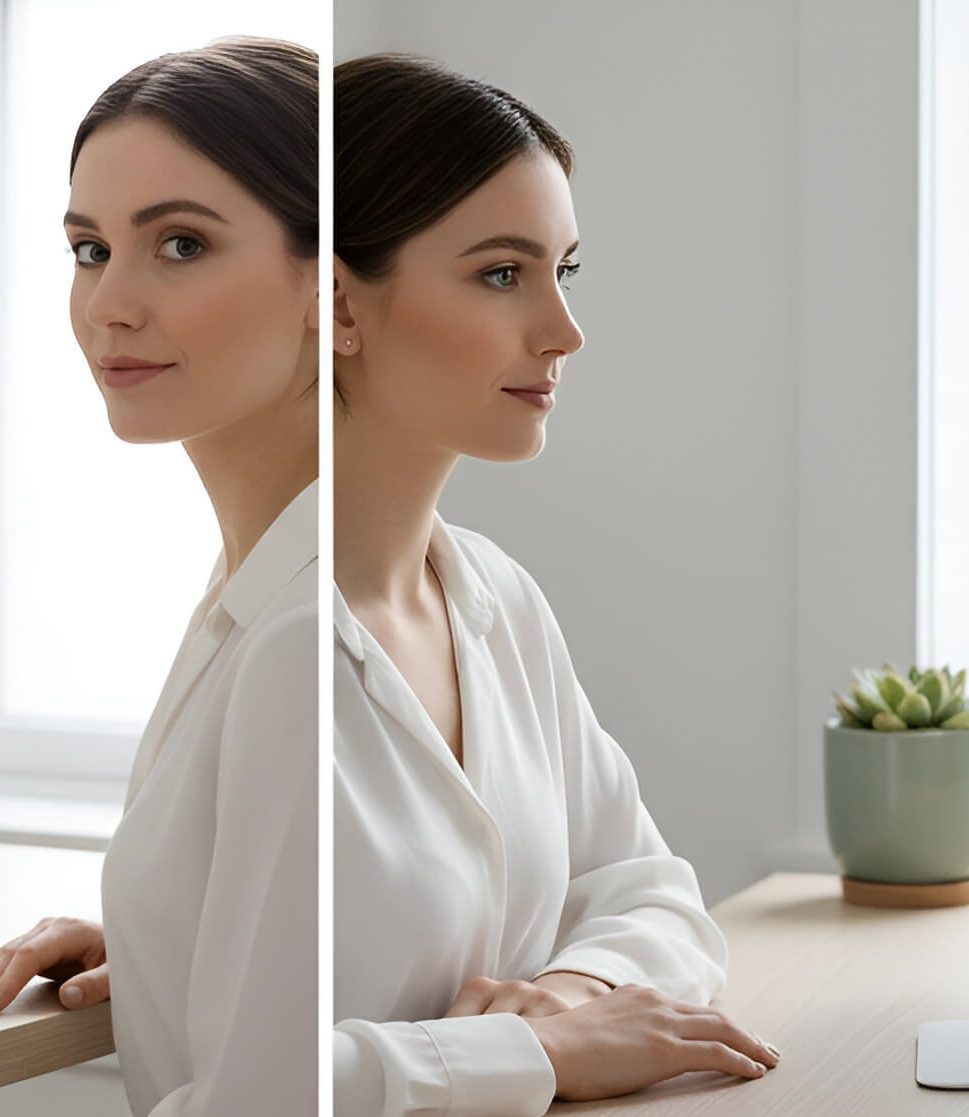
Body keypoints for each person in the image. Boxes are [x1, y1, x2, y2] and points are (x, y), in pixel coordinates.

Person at [330, 54, 779, 1114]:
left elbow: (649, 889)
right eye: (500, 273)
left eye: (562, 271)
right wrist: (530, 1058)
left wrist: (571, 995)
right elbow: (237, 1080)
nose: (563, 331)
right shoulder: (268, 644)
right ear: (338, 306)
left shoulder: (494, 598)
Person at [0, 38, 320, 1117]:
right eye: (87, 248)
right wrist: (182, 937)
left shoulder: (315, 627)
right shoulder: (251, 580)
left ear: (327, 277)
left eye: (179, 243)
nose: (108, 303)